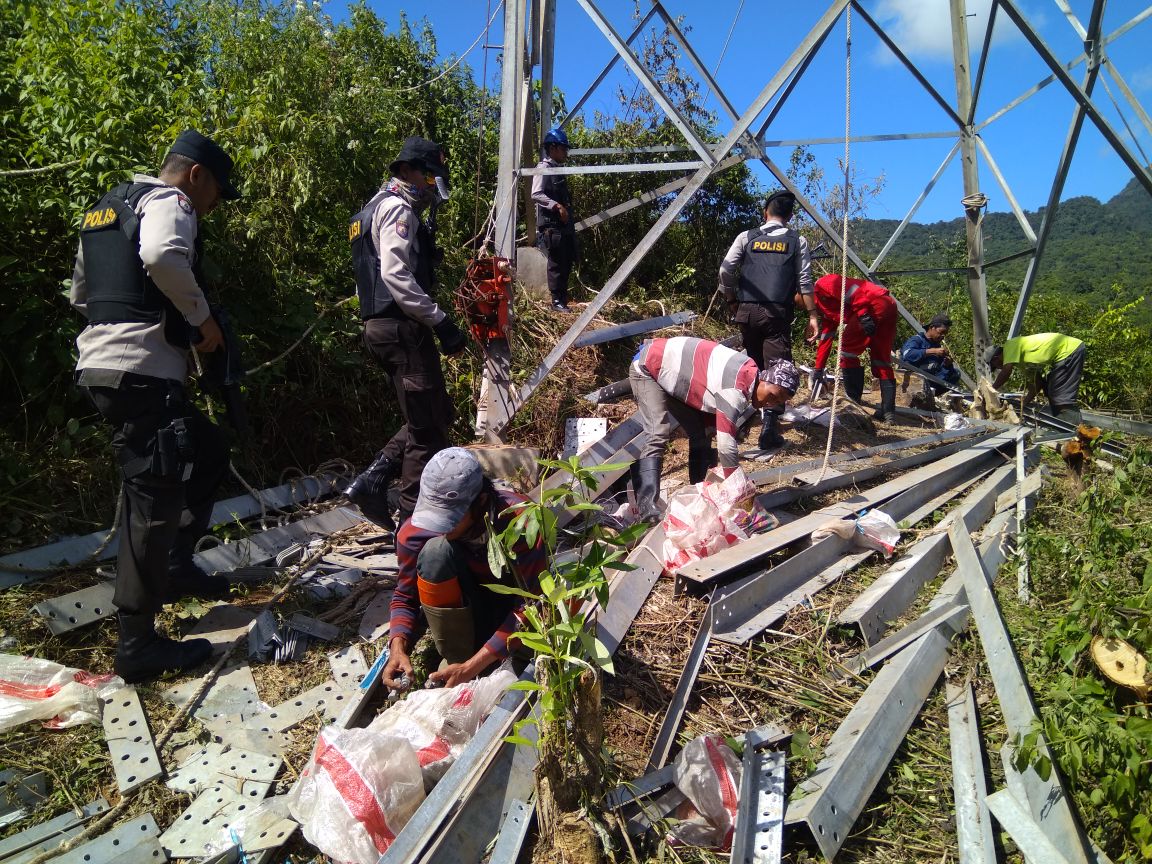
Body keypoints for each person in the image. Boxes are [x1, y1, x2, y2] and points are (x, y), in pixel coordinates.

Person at [70, 129, 241, 683]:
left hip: (103, 364)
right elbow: (162, 254)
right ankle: (137, 645)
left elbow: (80, 294)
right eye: (216, 191)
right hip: (140, 373)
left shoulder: (105, 208)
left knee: (210, 448)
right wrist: (200, 318)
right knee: (153, 500)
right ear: (197, 175)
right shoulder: (169, 201)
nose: (212, 206)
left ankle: (175, 565)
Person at [344, 137, 469, 531]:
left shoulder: (369, 210)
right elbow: (394, 274)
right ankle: (412, 522)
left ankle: (375, 478)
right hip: (402, 327)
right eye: (430, 175)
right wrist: (441, 321)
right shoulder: (398, 210)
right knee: (428, 429)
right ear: (408, 170)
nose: (433, 184)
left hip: (380, 328)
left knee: (435, 411)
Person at [382, 448, 546, 690]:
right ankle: (457, 658)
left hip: (512, 609)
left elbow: (532, 604)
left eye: (451, 517)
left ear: (480, 502)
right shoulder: (413, 534)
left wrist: (473, 667)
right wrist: (397, 647)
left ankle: (498, 660)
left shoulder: (521, 520)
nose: (440, 527)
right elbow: (405, 596)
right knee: (435, 553)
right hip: (467, 610)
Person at [628, 337, 800, 522]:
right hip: (648, 365)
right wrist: (738, 490)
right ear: (765, 379)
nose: (771, 402)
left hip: (673, 373)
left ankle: (700, 494)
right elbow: (726, 447)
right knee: (657, 432)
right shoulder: (736, 387)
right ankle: (647, 509)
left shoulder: (747, 377)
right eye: (774, 394)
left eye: (778, 402)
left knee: (703, 433)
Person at [719, 189, 816, 450]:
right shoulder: (797, 241)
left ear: (765, 212)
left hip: (747, 312)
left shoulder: (747, 237)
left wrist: (731, 299)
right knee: (779, 370)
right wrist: (812, 315)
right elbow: (805, 281)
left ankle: (732, 425)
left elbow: (726, 270)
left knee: (750, 367)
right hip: (776, 314)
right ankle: (769, 432)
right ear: (790, 216)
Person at [811, 273, 900, 420]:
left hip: (873, 304)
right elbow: (826, 338)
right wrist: (818, 368)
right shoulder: (825, 309)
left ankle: (853, 406)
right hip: (887, 305)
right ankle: (888, 412)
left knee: (847, 350)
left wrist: (863, 314)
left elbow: (854, 291)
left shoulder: (823, 284)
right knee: (881, 359)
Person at [986, 333, 1086, 422]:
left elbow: (1006, 372)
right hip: (1067, 352)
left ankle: (1073, 429)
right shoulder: (1022, 362)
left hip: (1069, 350)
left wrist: (990, 390)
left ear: (996, 359)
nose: (998, 368)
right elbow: (1037, 384)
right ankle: (1064, 424)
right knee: (1049, 390)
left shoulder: (1010, 345)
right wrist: (1023, 405)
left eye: (995, 366)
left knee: (1059, 394)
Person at [532, 127, 577, 312]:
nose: (565, 152)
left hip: (563, 226)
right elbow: (536, 194)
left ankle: (562, 299)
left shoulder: (557, 169)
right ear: (552, 148)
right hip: (552, 226)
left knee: (567, 260)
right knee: (557, 263)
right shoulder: (543, 168)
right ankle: (556, 302)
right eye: (563, 148)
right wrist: (556, 206)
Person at [901, 314, 961, 393]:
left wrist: (947, 365)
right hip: (912, 379)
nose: (943, 336)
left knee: (955, 373)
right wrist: (932, 351)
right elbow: (907, 355)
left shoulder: (937, 346)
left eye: (945, 334)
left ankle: (932, 395)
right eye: (941, 332)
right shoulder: (917, 340)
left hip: (930, 383)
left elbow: (941, 373)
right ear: (932, 327)